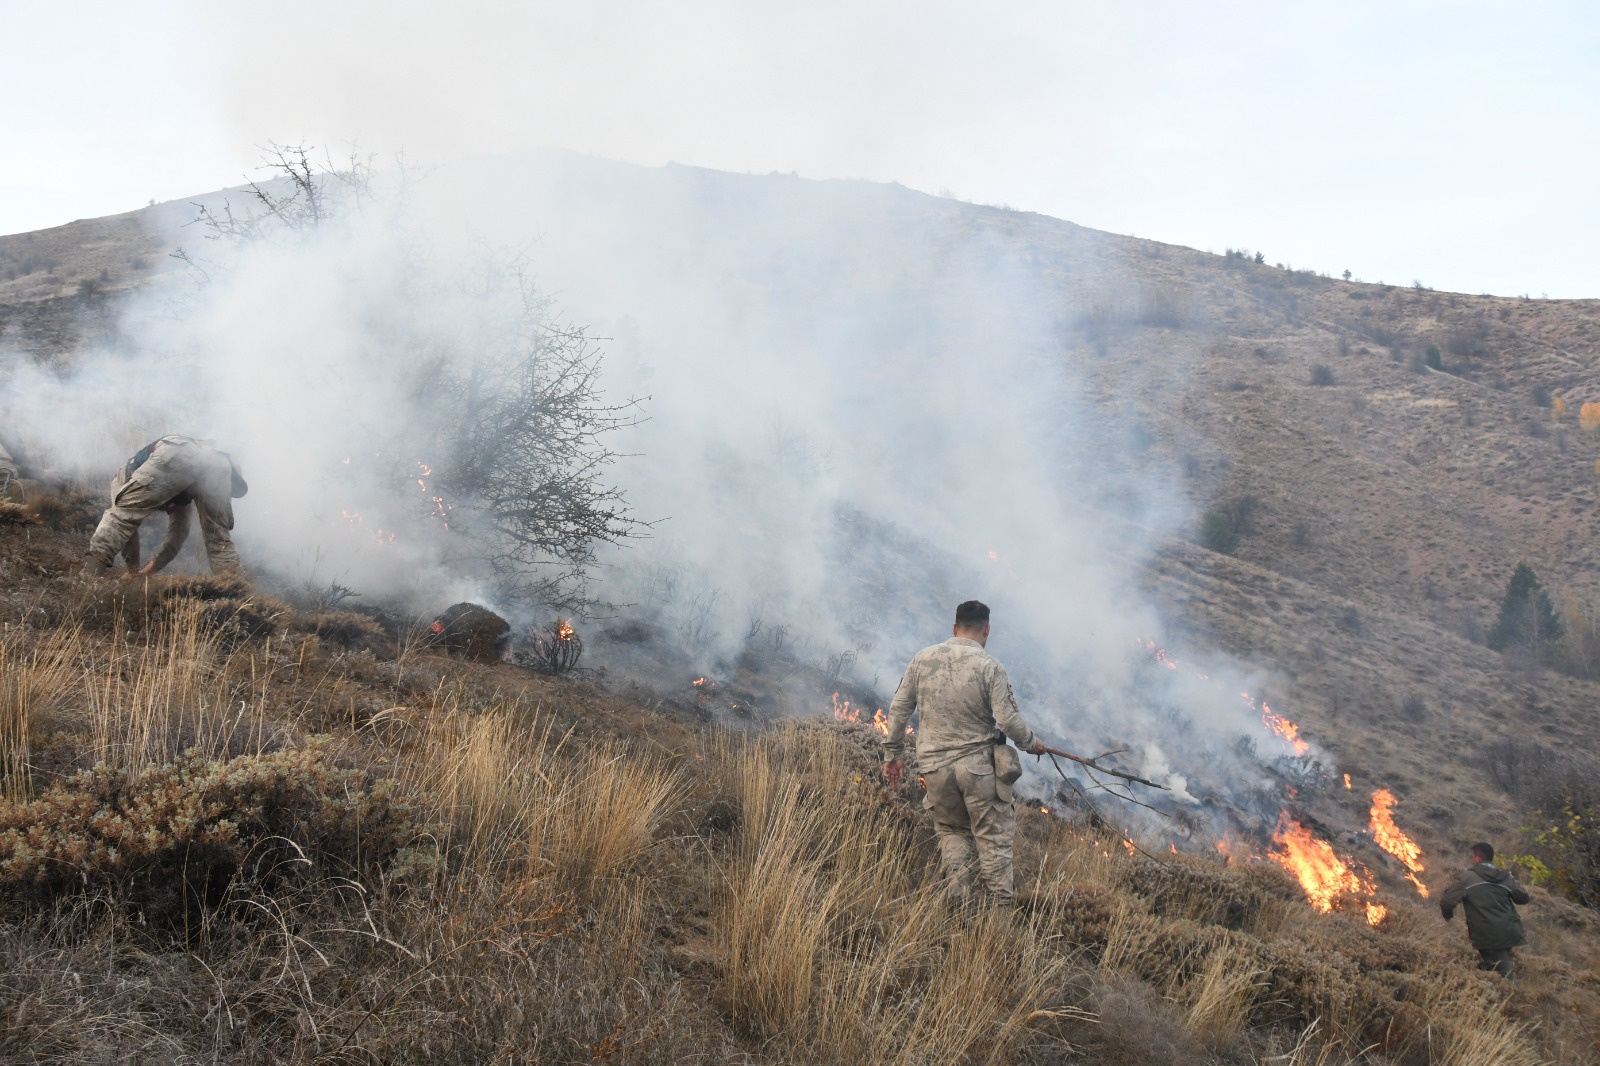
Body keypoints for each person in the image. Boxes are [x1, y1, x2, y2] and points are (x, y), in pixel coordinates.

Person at [882, 599, 1046, 906]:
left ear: (955, 628)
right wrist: (1031, 743)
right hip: (978, 771)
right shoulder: (989, 666)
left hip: (935, 769)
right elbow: (1008, 721)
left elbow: (899, 708)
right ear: (986, 630)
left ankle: (959, 907)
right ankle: (999, 924)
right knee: (993, 843)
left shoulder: (923, 659)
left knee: (952, 832)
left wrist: (893, 754)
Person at [83, 435, 248, 577]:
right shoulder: (121, 477)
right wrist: (136, 571)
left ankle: (87, 579)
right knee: (219, 539)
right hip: (218, 463)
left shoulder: (182, 471)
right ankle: (237, 594)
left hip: (182, 453)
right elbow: (176, 535)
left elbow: (128, 524)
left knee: (121, 516)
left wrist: (136, 573)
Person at [1439, 841, 1531, 979]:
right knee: (1494, 965)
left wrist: (1448, 917)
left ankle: (1513, 995)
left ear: (1477, 857)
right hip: (1509, 930)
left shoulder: (1468, 877)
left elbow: (1447, 901)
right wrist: (1512, 881)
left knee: (1504, 974)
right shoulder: (1504, 877)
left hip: (1487, 934)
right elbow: (1523, 898)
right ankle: (1487, 983)